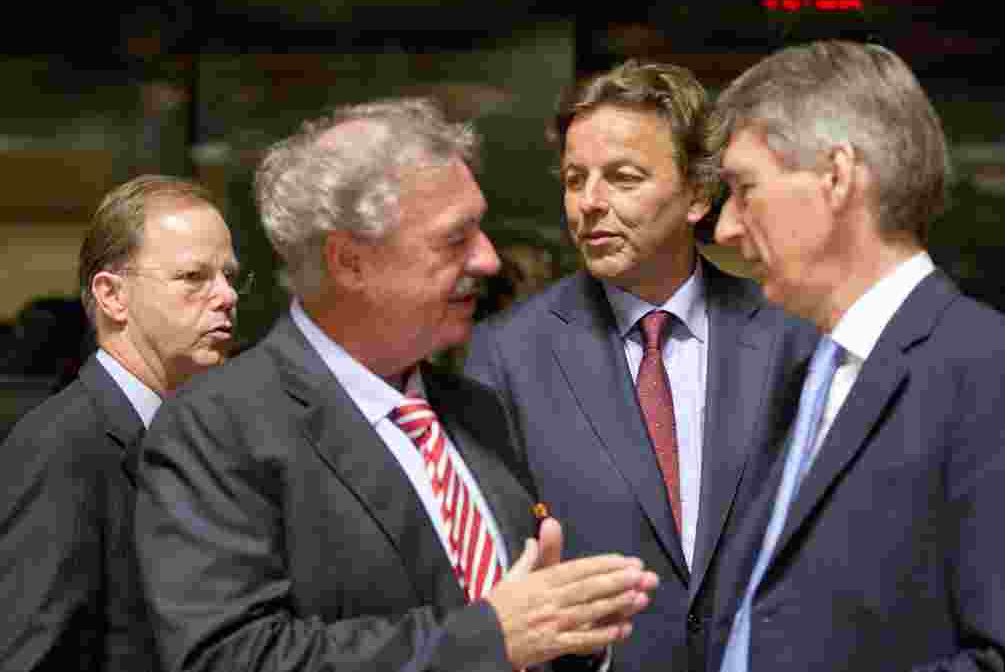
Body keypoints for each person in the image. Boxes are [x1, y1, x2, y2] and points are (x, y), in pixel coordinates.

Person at [133, 98, 658, 672]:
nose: (487, 259)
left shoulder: (476, 409)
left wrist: (571, 633)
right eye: (455, 239)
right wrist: (488, 637)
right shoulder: (216, 429)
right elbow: (232, 658)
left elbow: (525, 626)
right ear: (350, 262)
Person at [463, 60, 816, 672]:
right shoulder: (507, 354)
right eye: (575, 180)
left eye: (623, 178)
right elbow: (494, 573)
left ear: (698, 195)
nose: (590, 204)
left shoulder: (791, 339)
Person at [709, 40, 1005, 672]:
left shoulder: (994, 371)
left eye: (745, 189)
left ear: (837, 176)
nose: (725, 228)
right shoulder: (798, 372)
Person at [0, 175, 243, 671]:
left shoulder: (209, 437)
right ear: (112, 296)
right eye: (195, 277)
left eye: (230, 276)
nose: (226, 296)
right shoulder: (61, 447)